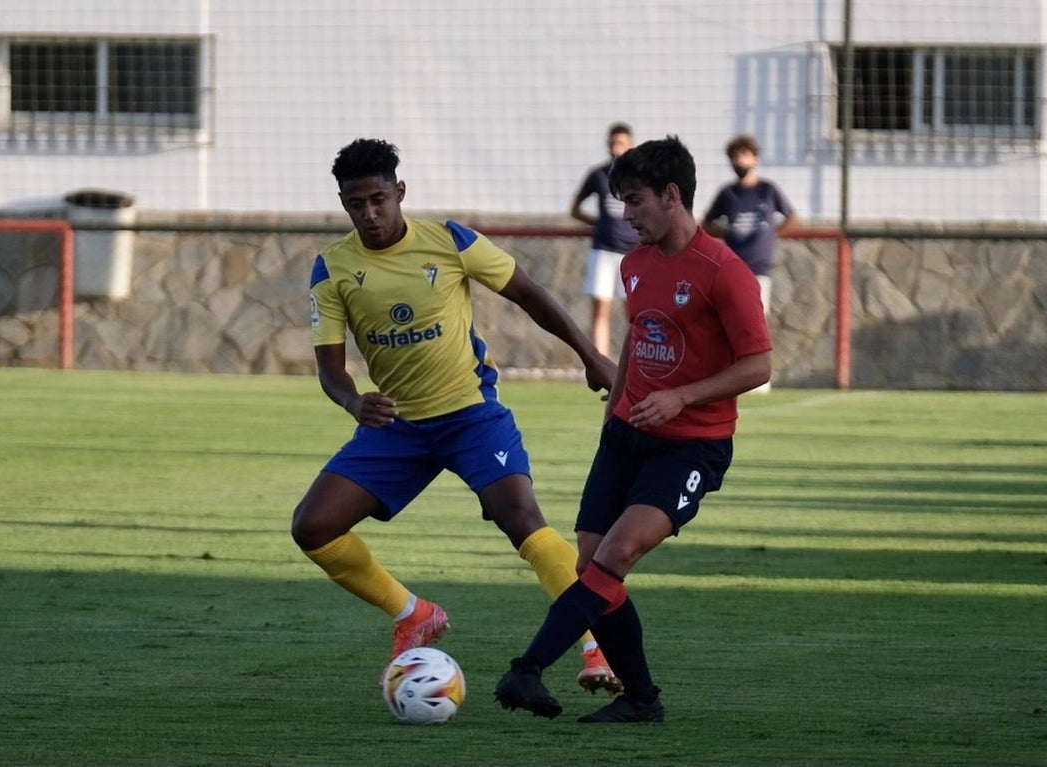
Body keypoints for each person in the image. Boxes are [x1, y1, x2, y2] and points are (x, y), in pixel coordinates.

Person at [293, 137, 622, 694]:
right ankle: (412, 614)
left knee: (522, 518)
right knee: (313, 527)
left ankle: (598, 648)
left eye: (378, 199)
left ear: (399, 192)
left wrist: (591, 357)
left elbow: (530, 294)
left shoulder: (449, 241)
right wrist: (353, 402)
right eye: (355, 204)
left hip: (471, 414)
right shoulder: (333, 268)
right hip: (396, 425)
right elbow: (330, 368)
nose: (369, 214)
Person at [494, 135, 773, 723]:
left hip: (692, 446)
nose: (625, 215)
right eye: (621, 201)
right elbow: (637, 337)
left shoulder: (725, 271)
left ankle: (528, 667)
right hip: (625, 436)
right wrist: (614, 407)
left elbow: (759, 365)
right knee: (591, 566)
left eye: (636, 201)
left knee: (615, 554)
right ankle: (641, 699)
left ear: (673, 195)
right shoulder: (634, 262)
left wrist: (681, 397)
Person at [701, 134, 797, 392]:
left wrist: (771, 235)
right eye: (734, 156)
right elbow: (707, 224)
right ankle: (732, 374)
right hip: (733, 268)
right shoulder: (727, 193)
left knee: (758, 319)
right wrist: (725, 234)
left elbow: (791, 217)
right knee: (730, 320)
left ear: (755, 158)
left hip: (759, 267)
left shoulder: (768, 190)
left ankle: (760, 377)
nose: (739, 160)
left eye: (744, 155)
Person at [569, 122, 640, 357]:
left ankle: (636, 359)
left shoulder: (639, 177)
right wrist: (596, 223)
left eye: (621, 143)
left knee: (634, 310)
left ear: (631, 145)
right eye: (612, 143)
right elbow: (575, 208)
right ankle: (601, 361)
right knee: (601, 308)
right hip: (604, 248)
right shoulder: (598, 175)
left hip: (632, 252)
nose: (616, 148)